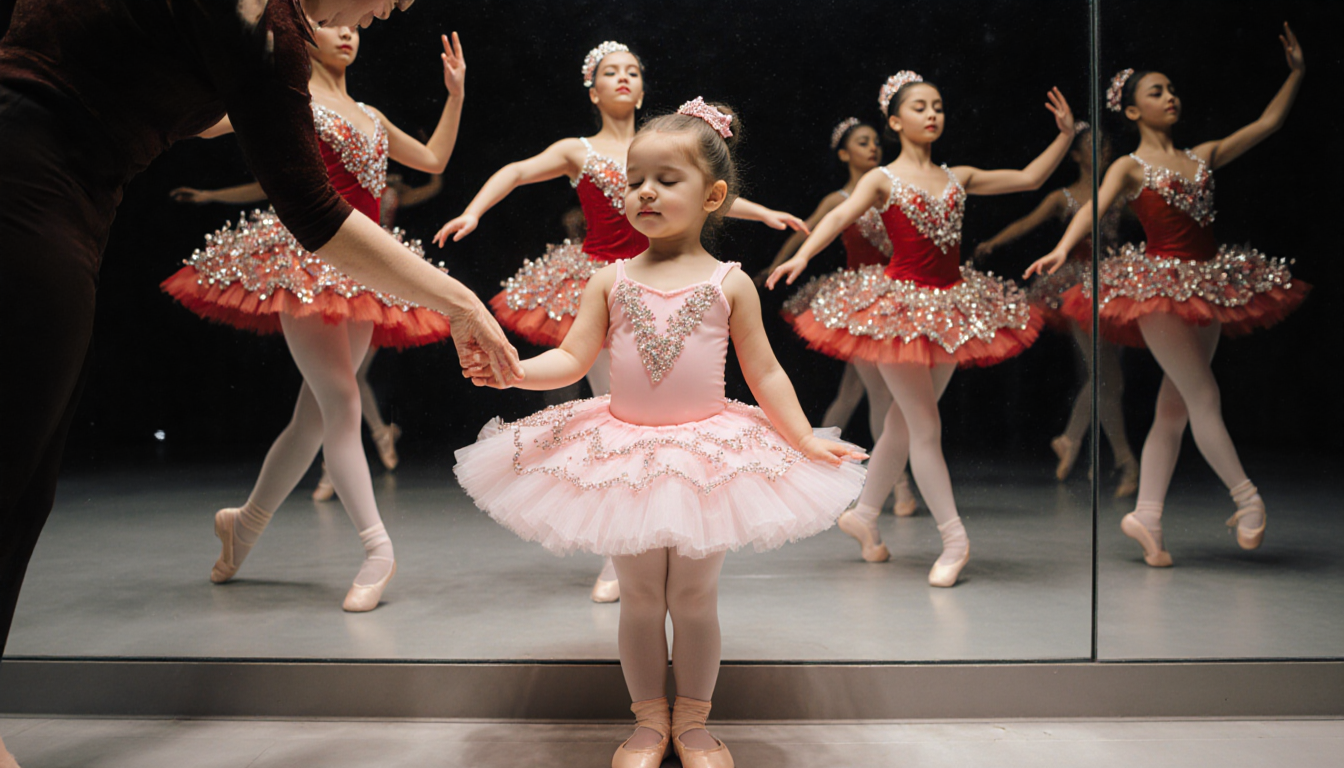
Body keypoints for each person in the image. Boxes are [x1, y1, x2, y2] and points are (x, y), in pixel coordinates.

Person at [0, 2, 519, 763]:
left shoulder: (287, 61)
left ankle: (244, 523)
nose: (378, 17)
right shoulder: (264, 34)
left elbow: (202, 114)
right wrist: (459, 297)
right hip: (35, 177)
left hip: (76, 196)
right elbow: (308, 203)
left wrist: (457, 98)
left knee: (35, 476)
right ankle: (368, 547)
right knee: (17, 463)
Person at [454, 99, 866, 768]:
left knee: (695, 597)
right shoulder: (608, 279)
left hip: (710, 454)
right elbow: (572, 359)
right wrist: (514, 375)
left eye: (666, 180)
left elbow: (765, 373)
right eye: (634, 178)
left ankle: (695, 724)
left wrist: (803, 439)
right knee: (643, 598)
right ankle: (649, 723)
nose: (644, 191)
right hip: (624, 453)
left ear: (714, 196)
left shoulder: (729, 284)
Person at [434, 41, 808, 604]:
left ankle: (643, 544)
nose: (625, 78)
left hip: (676, 288)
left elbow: (707, 192)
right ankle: (626, 545)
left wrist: (763, 211)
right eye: (611, 71)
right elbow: (516, 170)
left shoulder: (670, 155)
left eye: (633, 70)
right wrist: (474, 209)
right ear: (593, 88)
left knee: (647, 437)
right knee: (614, 417)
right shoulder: (581, 151)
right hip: (610, 274)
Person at [771, 72, 1075, 587]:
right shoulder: (882, 179)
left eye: (938, 105)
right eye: (919, 107)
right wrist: (801, 254)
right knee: (924, 426)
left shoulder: (960, 176)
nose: (932, 114)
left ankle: (864, 515)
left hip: (953, 308)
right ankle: (955, 539)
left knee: (903, 425)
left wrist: (1065, 136)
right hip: (896, 312)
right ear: (895, 121)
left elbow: (1028, 178)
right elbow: (840, 213)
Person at [1026, 24, 1309, 567]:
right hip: (1155, 291)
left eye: (1172, 89)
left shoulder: (1201, 155)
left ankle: (1147, 516)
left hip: (1207, 284)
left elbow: (1268, 124)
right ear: (1132, 112)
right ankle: (1247, 500)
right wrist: (1065, 246)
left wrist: (1296, 74)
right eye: (1156, 92)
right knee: (1202, 397)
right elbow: (1092, 207)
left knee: (1175, 407)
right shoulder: (1129, 166)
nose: (1170, 96)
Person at [761, 117, 919, 516]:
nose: (873, 148)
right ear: (845, 154)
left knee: (851, 394)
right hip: (858, 303)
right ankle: (898, 485)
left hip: (893, 300)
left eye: (874, 142)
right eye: (862, 143)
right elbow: (808, 231)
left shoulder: (891, 189)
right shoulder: (840, 198)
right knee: (880, 393)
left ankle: (813, 469)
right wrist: (778, 264)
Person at [975, 122, 1139, 496]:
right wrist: (993, 242)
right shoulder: (1063, 196)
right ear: (1077, 154)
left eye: (1106, 144)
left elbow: (1152, 215)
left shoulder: (1120, 192)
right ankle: (1124, 461)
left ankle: (1074, 440)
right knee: (1105, 378)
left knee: (1104, 379)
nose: (1102, 151)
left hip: (1114, 284)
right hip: (1077, 289)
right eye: (1092, 146)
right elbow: (1025, 222)